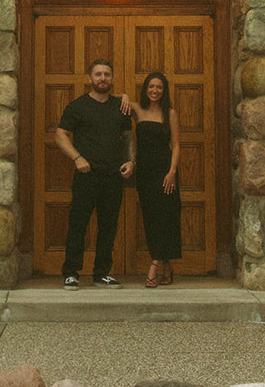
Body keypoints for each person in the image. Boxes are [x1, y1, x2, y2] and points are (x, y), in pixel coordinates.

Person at [54, 58, 133, 289]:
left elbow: (128, 136)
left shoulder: (120, 107)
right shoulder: (77, 106)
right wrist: (77, 158)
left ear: (112, 78)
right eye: (98, 74)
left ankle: (101, 273)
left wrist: (131, 161)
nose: (102, 78)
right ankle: (71, 272)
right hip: (87, 176)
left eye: (107, 74)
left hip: (113, 176)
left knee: (108, 226)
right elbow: (60, 135)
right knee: (78, 224)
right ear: (89, 78)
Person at [130, 70, 182, 288]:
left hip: (164, 171)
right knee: (151, 218)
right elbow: (117, 98)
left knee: (166, 217)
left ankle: (154, 264)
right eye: (151, 86)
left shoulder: (169, 113)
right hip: (144, 171)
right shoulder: (137, 109)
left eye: (159, 87)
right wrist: (124, 98)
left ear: (164, 90)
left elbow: (177, 145)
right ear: (145, 89)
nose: (154, 90)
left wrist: (171, 173)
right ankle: (167, 266)